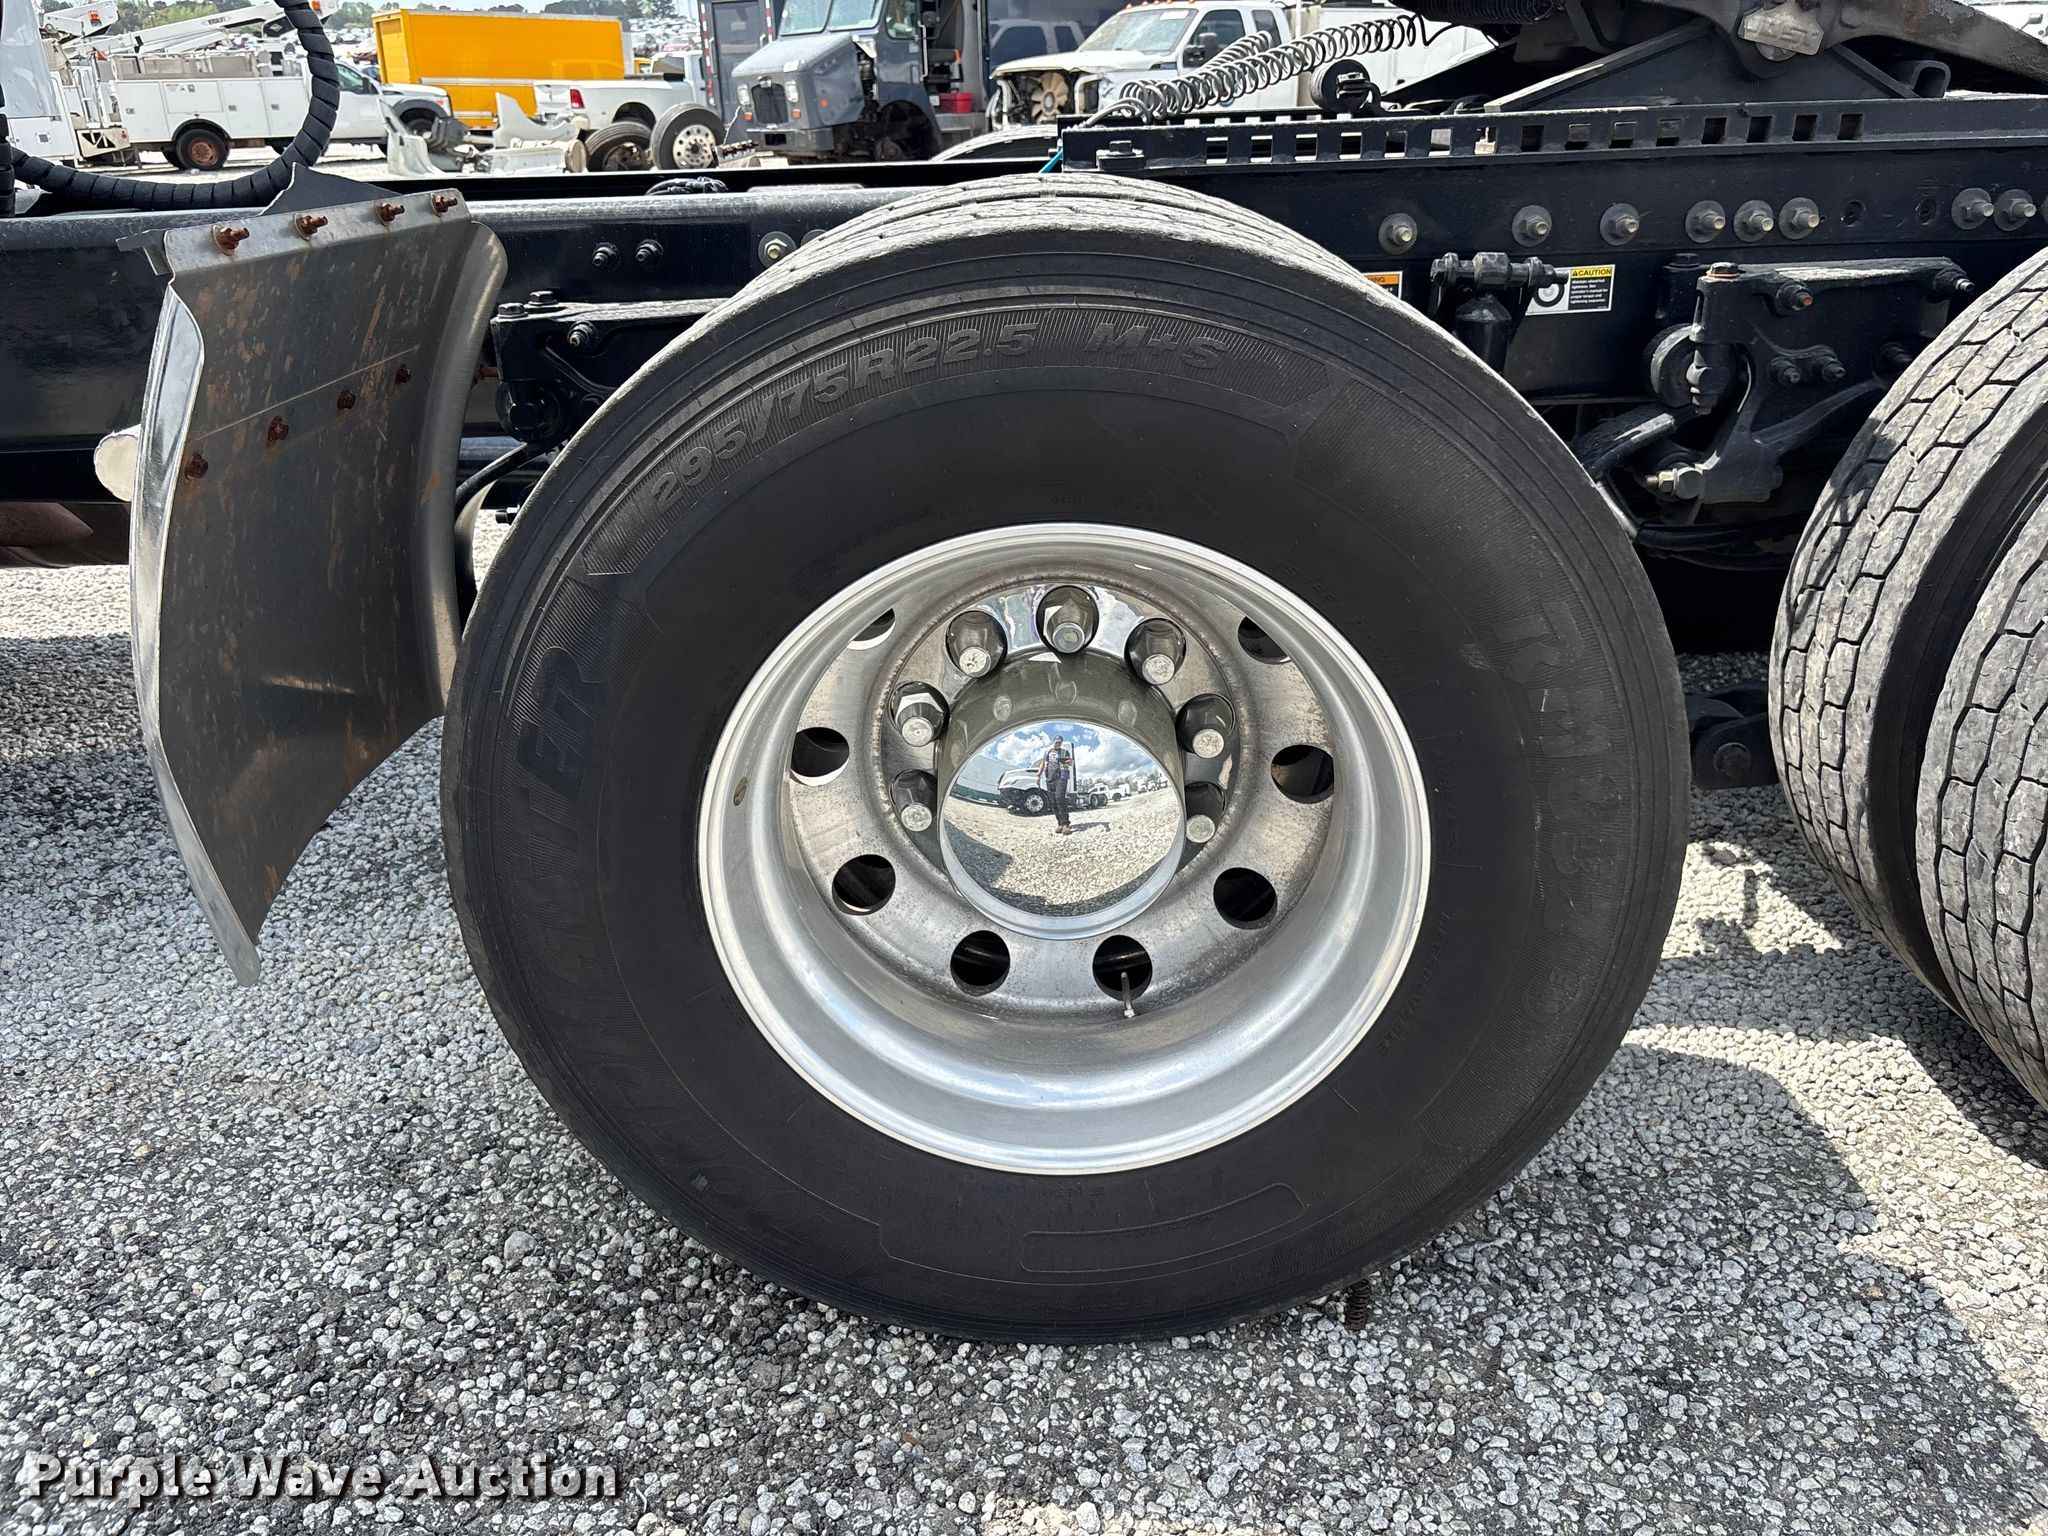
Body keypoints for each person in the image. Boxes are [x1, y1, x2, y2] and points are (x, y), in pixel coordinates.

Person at [1039, 735, 1075, 834]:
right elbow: (1043, 763)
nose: (1058, 744)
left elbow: (1071, 763)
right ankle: (1060, 823)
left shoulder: (1064, 752)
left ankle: (1066, 824)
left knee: (1059, 798)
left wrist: (1070, 762)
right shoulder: (1048, 752)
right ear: (1053, 742)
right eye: (1057, 742)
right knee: (1053, 802)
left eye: (1060, 742)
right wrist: (1038, 775)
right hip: (1050, 778)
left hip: (1061, 777)